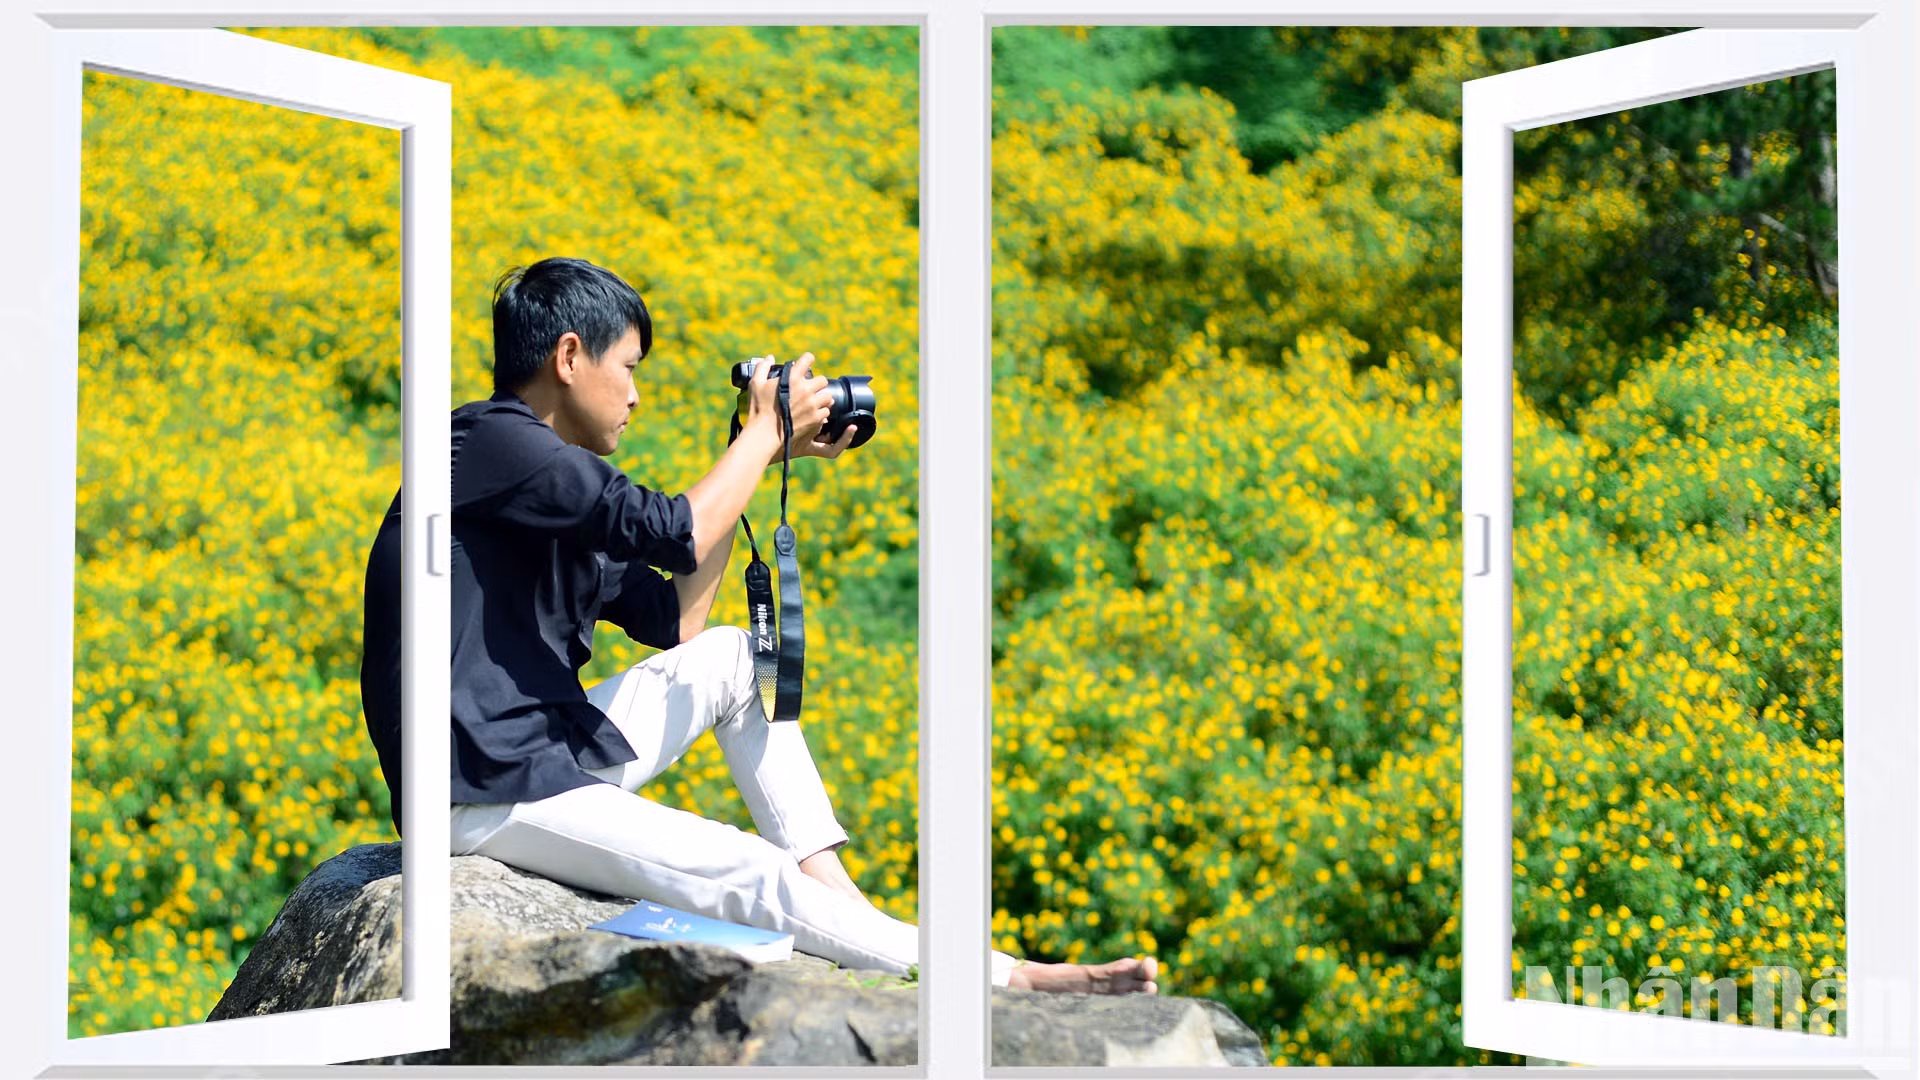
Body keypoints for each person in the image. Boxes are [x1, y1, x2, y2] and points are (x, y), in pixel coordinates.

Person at [360, 256, 1157, 993]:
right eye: (628, 369)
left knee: (737, 657)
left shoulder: (546, 483)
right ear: (569, 358)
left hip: (541, 754)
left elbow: (677, 617)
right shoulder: (488, 440)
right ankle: (1001, 979)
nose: (636, 396)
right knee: (743, 869)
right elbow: (673, 528)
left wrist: (759, 454)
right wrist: (763, 432)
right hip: (480, 790)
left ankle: (836, 896)